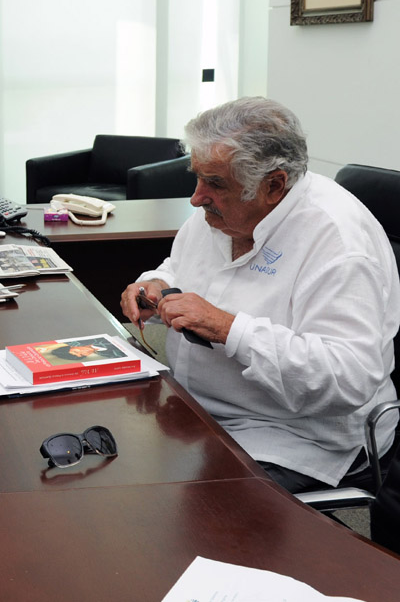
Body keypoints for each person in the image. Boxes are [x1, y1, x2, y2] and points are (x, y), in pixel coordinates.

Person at [120, 97, 399, 493]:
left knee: (187, 510)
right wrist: (157, 283)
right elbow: (180, 265)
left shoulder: (337, 241)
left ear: (273, 185)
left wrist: (227, 328)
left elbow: (348, 378)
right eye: (197, 177)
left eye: (214, 184)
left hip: (295, 436)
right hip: (200, 408)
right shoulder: (223, 211)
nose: (196, 197)